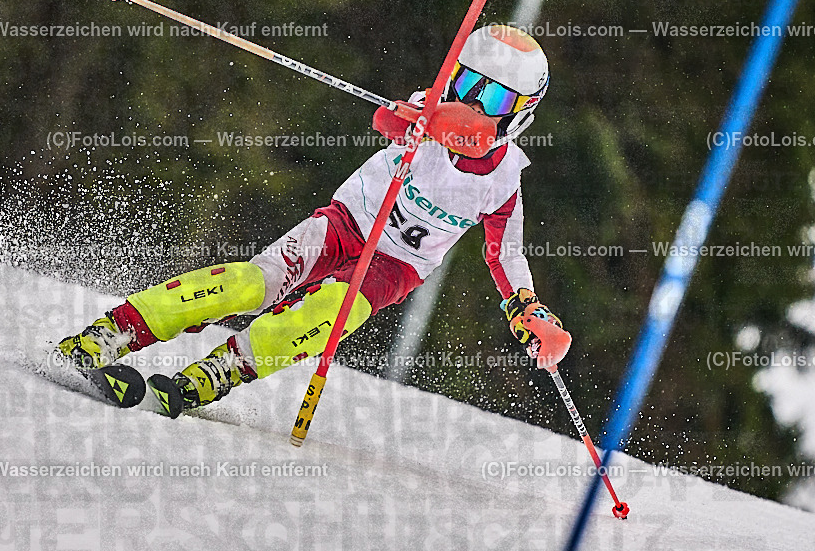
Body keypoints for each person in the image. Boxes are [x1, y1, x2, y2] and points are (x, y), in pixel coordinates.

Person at [56, 24, 570, 417]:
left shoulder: (502, 181)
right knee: (248, 284)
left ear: (521, 112)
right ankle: (106, 336)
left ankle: (209, 377)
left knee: (328, 312)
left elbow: (505, 254)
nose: (474, 101)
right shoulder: (428, 108)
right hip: (346, 222)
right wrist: (418, 120)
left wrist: (527, 311)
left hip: (394, 266)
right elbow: (389, 119)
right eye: (467, 81)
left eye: (495, 96)